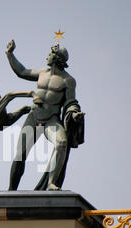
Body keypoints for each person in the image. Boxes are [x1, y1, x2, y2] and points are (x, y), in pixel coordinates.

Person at [6, 39, 84, 191]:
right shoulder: (42, 73)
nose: (47, 56)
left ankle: (51, 183)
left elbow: (71, 102)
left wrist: (74, 114)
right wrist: (10, 54)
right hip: (33, 117)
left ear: (56, 57)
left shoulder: (68, 80)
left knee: (61, 143)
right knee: (20, 154)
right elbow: (21, 71)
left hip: (51, 120)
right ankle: (11, 190)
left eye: (49, 54)